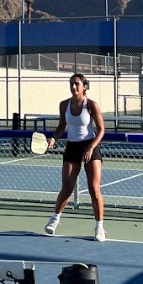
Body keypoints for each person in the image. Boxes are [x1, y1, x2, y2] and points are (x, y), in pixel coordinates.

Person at [43, 73, 106, 242]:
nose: (73, 87)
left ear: (84, 86)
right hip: (72, 147)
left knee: (94, 190)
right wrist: (54, 138)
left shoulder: (91, 105)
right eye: (71, 84)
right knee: (66, 189)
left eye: (77, 84)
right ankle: (55, 219)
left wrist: (91, 148)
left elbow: (101, 129)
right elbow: (62, 126)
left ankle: (99, 227)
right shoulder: (64, 105)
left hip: (90, 146)